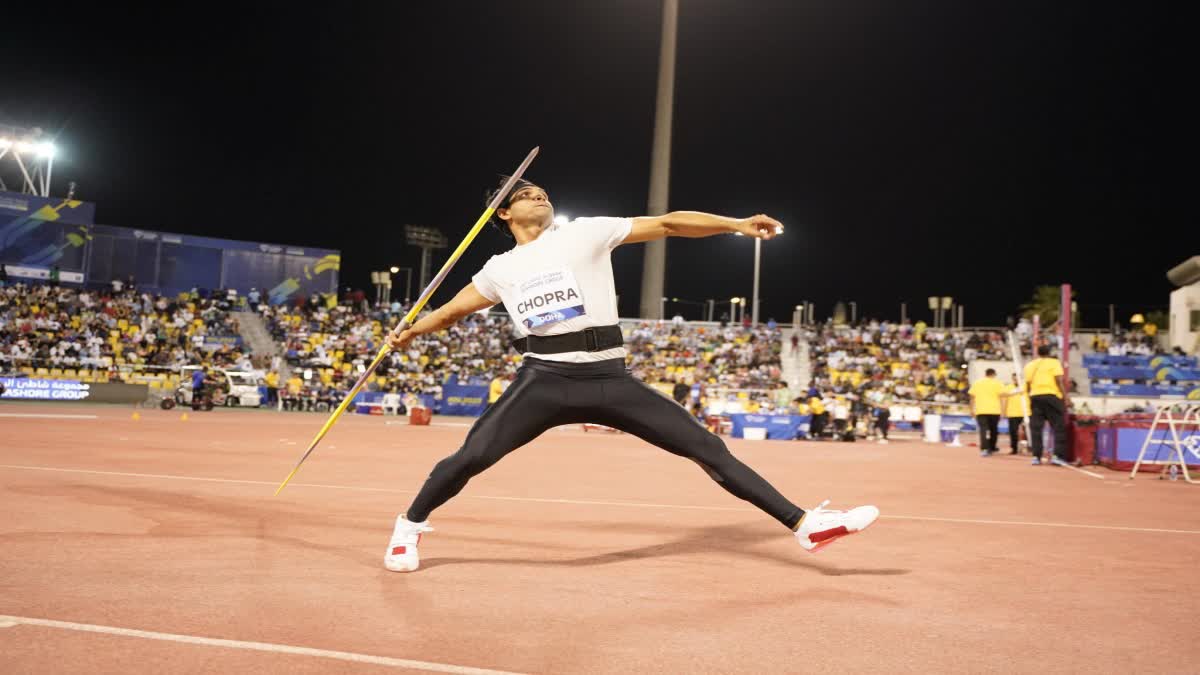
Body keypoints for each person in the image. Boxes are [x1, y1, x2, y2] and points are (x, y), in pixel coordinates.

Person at [381, 178, 879, 572]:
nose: (538, 195)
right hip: (545, 380)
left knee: (708, 449)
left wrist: (735, 225)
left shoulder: (583, 233)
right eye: (524, 194)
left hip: (610, 379)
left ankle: (805, 524)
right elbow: (448, 314)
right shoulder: (498, 269)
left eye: (542, 192)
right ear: (504, 214)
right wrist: (408, 334)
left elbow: (667, 224)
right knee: (471, 456)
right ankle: (409, 525)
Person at [1024, 345, 1068, 465]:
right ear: (1049, 352)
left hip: (1035, 397)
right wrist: (1066, 397)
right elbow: (1059, 381)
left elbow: (1027, 385)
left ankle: (1036, 457)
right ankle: (1057, 456)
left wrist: (1030, 397)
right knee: (1059, 427)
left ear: (1038, 353)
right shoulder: (1054, 363)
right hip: (1051, 396)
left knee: (1036, 429)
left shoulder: (1030, 365)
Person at [968, 368, 1005, 457]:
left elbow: (972, 398)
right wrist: (1003, 411)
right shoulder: (998, 383)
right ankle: (992, 447)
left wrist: (972, 409)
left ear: (986, 374)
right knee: (994, 430)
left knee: (983, 430)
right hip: (994, 410)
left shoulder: (977, 383)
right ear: (994, 374)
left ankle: (984, 448)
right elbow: (1002, 397)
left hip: (981, 410)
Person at [1004, 373, 1028, 455]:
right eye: (1014, 379)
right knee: (1013, 432)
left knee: (1026, 432)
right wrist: (1004, 411)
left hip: (1025, 412)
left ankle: (1027, 448)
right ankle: (1014, 448)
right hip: (1012, 412)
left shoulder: (1026, 386)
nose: (1016, 380)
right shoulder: (1008, 387)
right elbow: (1005, 397)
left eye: (1017, 378)